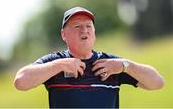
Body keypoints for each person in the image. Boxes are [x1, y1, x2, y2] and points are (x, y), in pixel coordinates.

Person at [14, 7, 164, 108]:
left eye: (88, 26)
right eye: (77, 26)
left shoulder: (112, 64)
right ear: (63, 35)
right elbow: (21, 82)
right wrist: (59, 66)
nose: (84, 30)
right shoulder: (55, 61)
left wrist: (125, 65)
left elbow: (157, 82)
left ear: (94, 31)